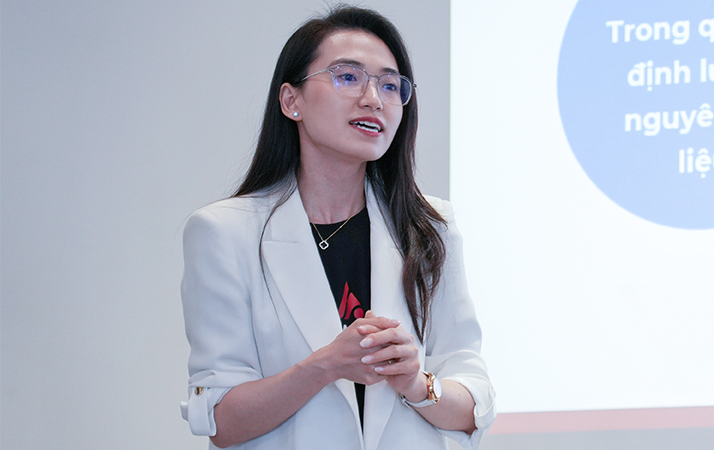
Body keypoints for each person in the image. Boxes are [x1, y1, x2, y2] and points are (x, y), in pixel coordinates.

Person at [178, 5, 493, 449]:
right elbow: (221, 421)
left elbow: (473, 407)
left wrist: (416, 382)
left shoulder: (430, 225)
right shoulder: (224, 233)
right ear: (292, 101)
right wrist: (324, 366)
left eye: (390, 85)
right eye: (348, 77)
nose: (373, 99)